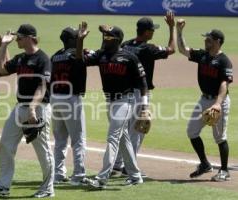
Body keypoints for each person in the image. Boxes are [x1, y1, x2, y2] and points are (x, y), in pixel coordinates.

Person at [0, 24, 55, 197]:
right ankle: (3, 185)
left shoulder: (43, 59)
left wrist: (32, 108)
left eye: (19, 38)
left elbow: (43, 86)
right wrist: (4, 46)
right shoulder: (21, 58)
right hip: (19, 108)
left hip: (38, 108)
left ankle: (47, 188)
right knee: (6, 144)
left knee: (42, 150)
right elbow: (1, 69)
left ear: (30, 38)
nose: (17, 40)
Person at [78, 24, 149, 189]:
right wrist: (80, 40)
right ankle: (135, 175)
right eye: (105, 37)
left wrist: (144, 107)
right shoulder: (101, 55)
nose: (105, 39)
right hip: (110, 101)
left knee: (112, 137)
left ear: (117, 40)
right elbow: (80, 60)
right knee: (123, 139)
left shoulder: (129, 57)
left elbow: (143, 83)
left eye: (109, 37)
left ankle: (102, 178)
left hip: (126, 101)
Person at [113, 11, 176, 176]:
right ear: (147, 32)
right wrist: (172, 28)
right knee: (138, 130)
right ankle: (129, 167)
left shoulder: (125, 45)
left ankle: (117, 164)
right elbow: (171, 49)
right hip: (139, 93)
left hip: (122, 94)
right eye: (152, 30)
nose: (154, 32)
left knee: (124, 130)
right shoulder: (148, 48)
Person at [176, 19, 233, 181]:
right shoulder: (202, 55)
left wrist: (217, 104)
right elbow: (182, 49)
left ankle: (224, 170)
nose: (205, 41)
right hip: (203, 100)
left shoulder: (224, 61)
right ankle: (205, 164)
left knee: (220, 137)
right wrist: (179, 31)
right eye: (205, 38)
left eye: (208, 39)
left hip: (218, 101)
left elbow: (224, 83)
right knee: (192, 131)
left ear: (217, 42)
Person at [50, 26, 87, 185]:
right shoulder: (75, 54)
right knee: (78, 139)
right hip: (70, 99)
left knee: (60, 139)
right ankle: (78, 175)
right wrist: (81, 41)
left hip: (54, 98)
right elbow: (80, 58)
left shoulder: (55, 56)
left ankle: (58, 174)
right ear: (72, 40)